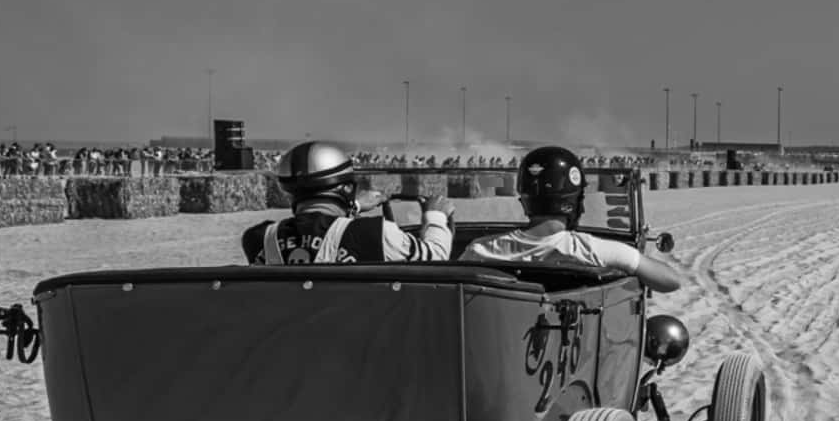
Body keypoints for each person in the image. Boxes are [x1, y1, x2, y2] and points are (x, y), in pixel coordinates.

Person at [458, 145, 682, 292]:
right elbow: (671, 281)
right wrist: (631, 258)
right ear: (573, 202)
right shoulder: (591, 250)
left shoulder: (479, 250)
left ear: (525, 199)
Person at [243, 140, 453, 264]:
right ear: (347, 188)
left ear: (289, 192)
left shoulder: (259, 239)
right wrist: (436, 216)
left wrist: (354, 207)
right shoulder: (376, 234)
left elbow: (319, 233)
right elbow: (435, 258)